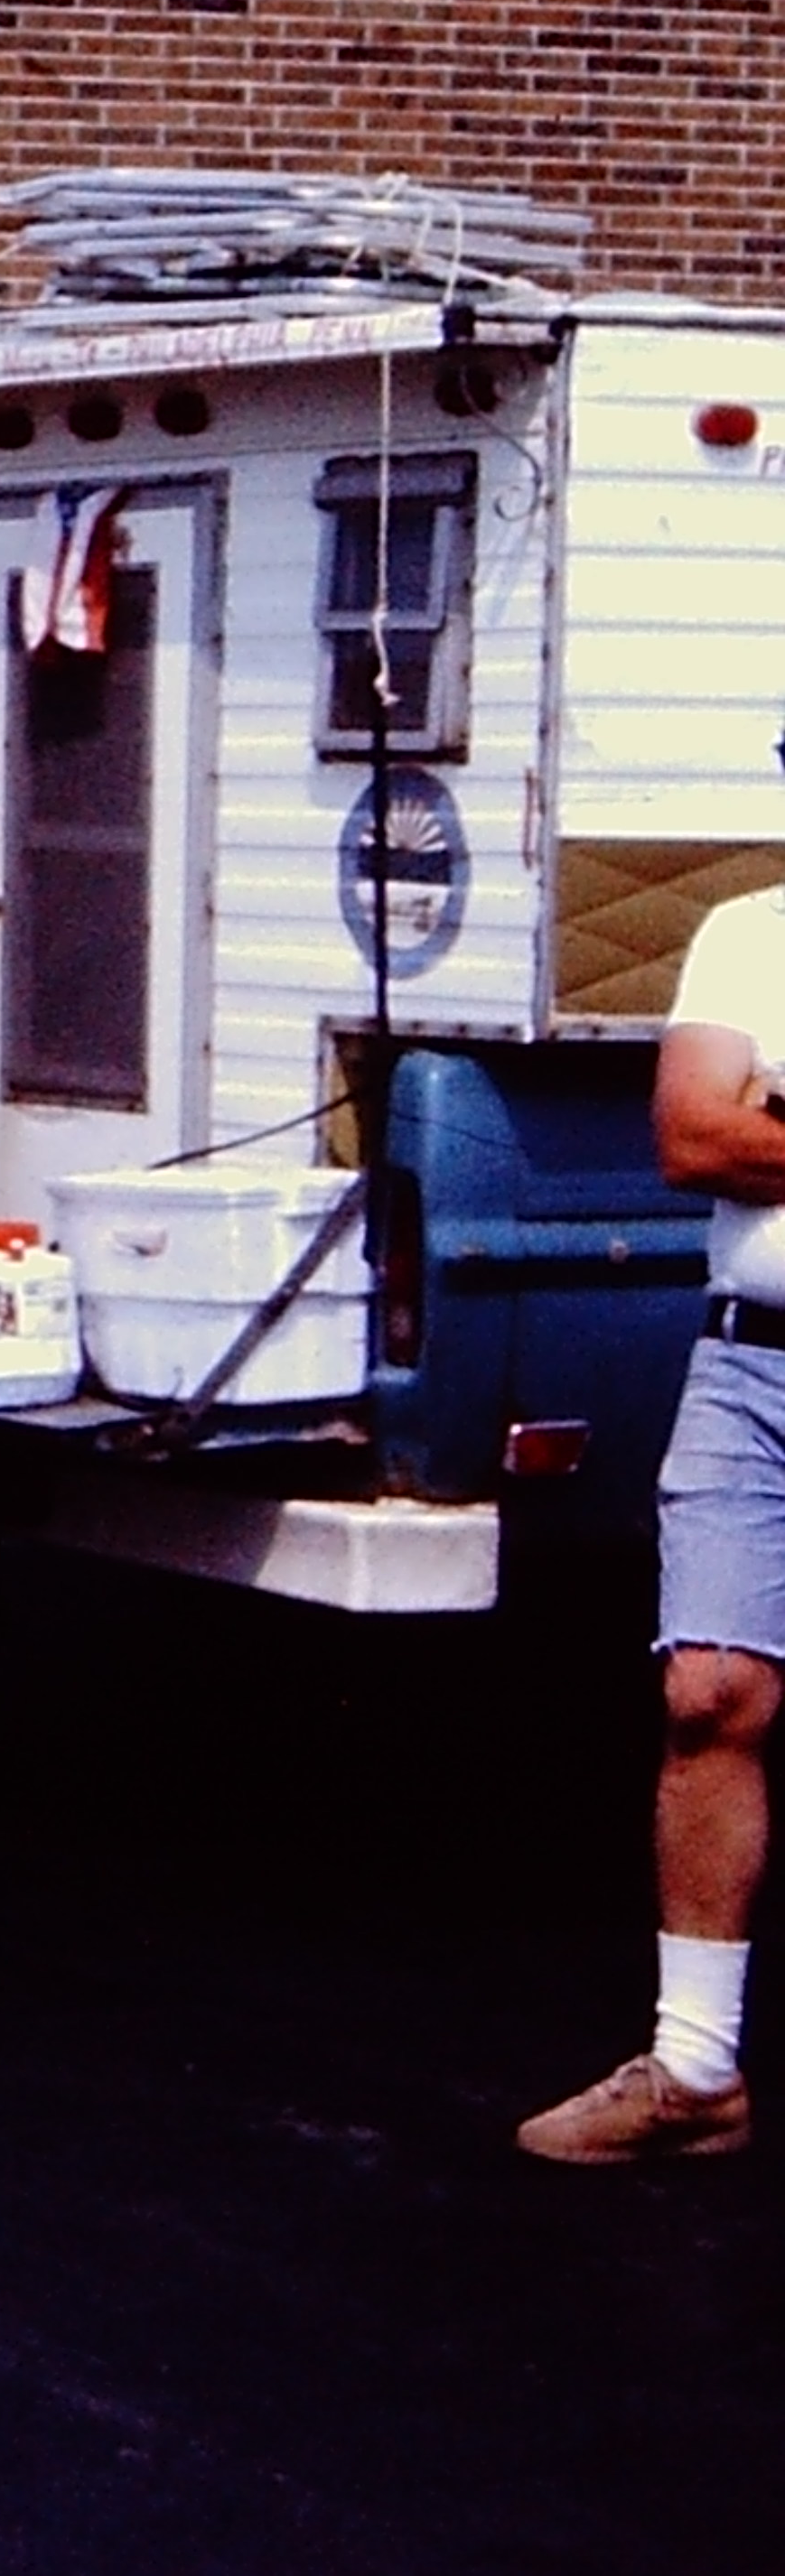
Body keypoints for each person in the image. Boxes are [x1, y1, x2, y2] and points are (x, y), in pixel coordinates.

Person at [516, 767, 785, 2165]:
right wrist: (747, 1126)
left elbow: (749, 1136)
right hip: (754, 1364)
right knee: (710, 1694)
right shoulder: (750, 932)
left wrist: (780, 1124)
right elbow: (692, 1135)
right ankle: (694, 2070)